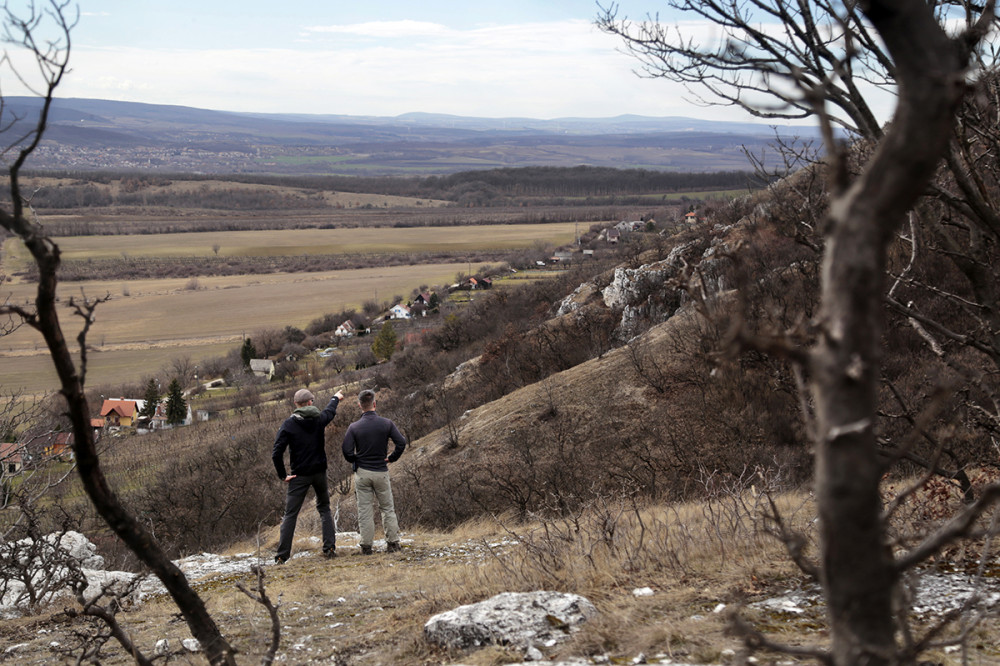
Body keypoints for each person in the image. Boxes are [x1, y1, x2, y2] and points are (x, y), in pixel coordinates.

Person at [272, 387, 344, 563]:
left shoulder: (289, 424)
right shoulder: (319, 419)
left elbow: (276, 453)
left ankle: (282, 555)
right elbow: (330, 411)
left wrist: (283, 475)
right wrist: (335, 397)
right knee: (325, 508)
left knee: (290, 514)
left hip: (299, 476)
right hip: (319, 473)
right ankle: (330, 548)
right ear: (311, 402)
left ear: (296, 404)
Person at [342, 389, 406, 554]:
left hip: (362, 472)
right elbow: (401, 443)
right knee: (387, 508)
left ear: (359, 405)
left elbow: (347, 451)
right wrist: (391, 458)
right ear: (374, 404)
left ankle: (366, 546)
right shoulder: (386, 423)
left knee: (365, 510)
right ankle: (393, 544)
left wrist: (356, 460)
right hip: (381, 471)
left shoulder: (354, 427)